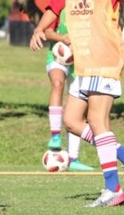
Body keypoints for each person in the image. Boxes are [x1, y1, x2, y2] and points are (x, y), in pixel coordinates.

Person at [30, 0, 124, 207]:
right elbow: (53, 7)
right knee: (72, 121)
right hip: (83, 62)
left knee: (99, 121)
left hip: (105, 57)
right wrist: (40, 29)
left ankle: (112, 188)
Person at [43, 9, 94, 171]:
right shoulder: (59, 5)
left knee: (78, 106)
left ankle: (73, 158)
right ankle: (55, 135)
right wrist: (63, 38)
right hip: (57, 56)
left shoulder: (87, 7)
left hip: (80, 60)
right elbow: (46, 32)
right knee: (57, 83)